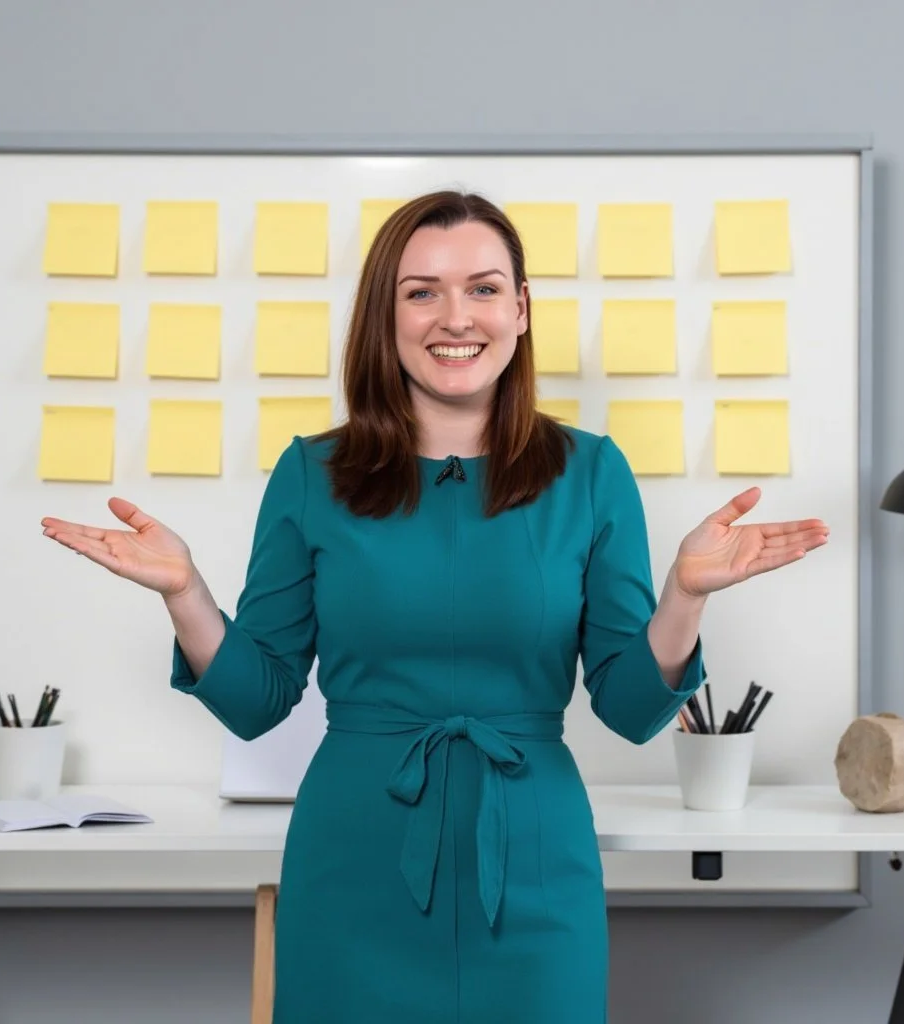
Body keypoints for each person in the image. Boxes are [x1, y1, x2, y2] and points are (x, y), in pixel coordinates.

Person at [40, 190, 829, 1023]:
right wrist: (186, 593)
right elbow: (255, 701)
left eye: (484, 288)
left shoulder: (591, 473)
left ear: (521, 310)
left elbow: (632, 710)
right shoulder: (312, 474)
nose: (456, 317)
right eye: (422, 292)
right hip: (353, 860)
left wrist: (684, 597)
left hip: (532, 856)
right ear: (386, 316)